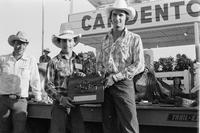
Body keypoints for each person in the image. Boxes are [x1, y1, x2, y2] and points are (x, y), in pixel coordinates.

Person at [97, 0, 145, 132]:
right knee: (109, 124)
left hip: (124, 84)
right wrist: (101, 75)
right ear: (110, 17)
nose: (117, 18)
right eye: (114, 15)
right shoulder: (104, 39)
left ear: (126, 18)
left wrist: (116, 77)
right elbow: (99, 63)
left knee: (129, 124)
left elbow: (139, 64)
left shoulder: (134, 38)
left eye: (121, 15)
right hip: (106, 85)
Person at [45, 23, 86, 133]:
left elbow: (84, 83)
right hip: (59, 105)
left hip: (76, 105)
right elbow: (48, 86)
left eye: (69, 40)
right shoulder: (53, 62)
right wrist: (61, 99)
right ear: (59, 43)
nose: (66, 43)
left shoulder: (79, 61)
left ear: (73, 42)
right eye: (63, 40)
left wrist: (82, 78)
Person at [0, 31, 42, 133]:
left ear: (26, 45)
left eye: (23, 44)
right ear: (13, 43)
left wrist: (38, 97)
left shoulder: (30, 60)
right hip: (3, 100)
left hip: (21, 102)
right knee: (3, 129)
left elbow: (35, 79)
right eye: (18, 43)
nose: (20, 46)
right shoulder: (3, 59)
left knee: (19, 130)